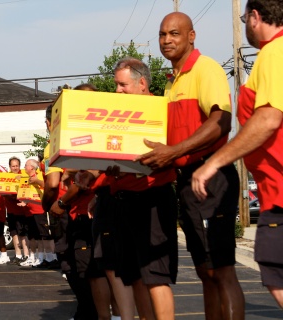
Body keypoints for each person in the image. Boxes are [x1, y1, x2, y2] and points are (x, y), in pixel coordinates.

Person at [136, 12, 245, 319]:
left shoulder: (205, 68)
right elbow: (168, 146)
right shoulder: (171, 84)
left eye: (174, 34)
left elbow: (222, 121)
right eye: (162, 35)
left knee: (222, 270)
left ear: (191, 36)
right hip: (187, 182)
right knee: (205, 271)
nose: (166, 40)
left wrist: (175, 151)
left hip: (212, 176)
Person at [192, 0, 283, 308]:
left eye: (245, 17)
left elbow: (269, 118)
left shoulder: (273, 52)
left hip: (280, 192)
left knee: (276, 275)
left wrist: (213, 163)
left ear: (255, 17)